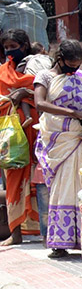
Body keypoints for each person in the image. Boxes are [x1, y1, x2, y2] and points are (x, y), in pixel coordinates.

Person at [33, 39, 82, 257]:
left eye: (78, 64)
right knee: (62, 187)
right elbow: (40, 104)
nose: (75, 68)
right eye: (71, 63)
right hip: (57, 139)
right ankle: (59, 242)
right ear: (60, 59)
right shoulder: (45, 77)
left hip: (77, 138)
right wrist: (73, 114)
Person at [0, 29, 40, 246]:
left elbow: (45, 94)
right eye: (5, 47)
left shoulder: (34, 67)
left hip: (32, 131)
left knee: (37, 180)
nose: (9, 51)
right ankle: (15, 233)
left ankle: (38, 229)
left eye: (12, 46)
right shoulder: (3, 72)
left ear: (24, 46)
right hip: (11, 135)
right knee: (13, 180)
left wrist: (25, 93)